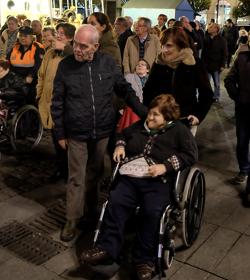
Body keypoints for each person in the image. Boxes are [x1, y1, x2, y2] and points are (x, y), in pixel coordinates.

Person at [80, 94, 198, 280]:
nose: (149, 118)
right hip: (131, 178)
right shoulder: (140, 126)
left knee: (152, 212)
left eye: (155, 116)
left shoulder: (179, 131)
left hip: (158, 182)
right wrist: (120, 146)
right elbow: (122, 134)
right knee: (116, 202)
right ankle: (107, 248)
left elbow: (190, 155)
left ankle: (144, 260)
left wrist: (164, 166)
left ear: (167, 118)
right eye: (150, 113)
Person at [51, 24, 147, 242]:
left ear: (95, 46)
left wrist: (143, 111)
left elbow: (124, 89)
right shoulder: (66, 66)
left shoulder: (107, 63)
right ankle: (72, 218)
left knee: (95, 173)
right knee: (77, 176)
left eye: (83, 46)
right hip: (75, 130)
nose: (77, 49)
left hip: (102, 129)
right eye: (75, 43)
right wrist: (60, 133)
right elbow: (57, 102)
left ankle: (91, 212)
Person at [143, 27, 213, 135]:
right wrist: (149, 113)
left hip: (185, 120)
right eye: (162, 45)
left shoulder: (195, 63)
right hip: (159, 121)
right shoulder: (159, 62)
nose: (164, 50)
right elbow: (148, 90)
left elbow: (207, 93)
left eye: (169, 45)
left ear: (181, 45)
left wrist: (198, 115)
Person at [37, 23, 75, 183]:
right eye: (57, 32)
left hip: (64, 106)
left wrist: (65, 50)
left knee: (65, 141)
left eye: (62, 34)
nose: (58, 36)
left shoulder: (72, 55)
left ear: (71, 38)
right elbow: (42, 75)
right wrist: (38, 94)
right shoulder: (50, 53)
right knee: (55, 138)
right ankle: (62, 169)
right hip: (48, 101)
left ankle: (69, 171)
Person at [224, 45, 250, 186]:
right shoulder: (242, 58)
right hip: (244, 108)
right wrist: (237, 96)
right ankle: (244, 169)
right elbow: (229, 80)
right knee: (242, 141)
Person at [7, 26, 45, 104]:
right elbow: (7, 62)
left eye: (25, 36)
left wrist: (30, 76)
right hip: (14, 79)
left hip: (30, 81)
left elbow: (38, 65)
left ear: (32, 37)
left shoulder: (38, 47)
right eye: (20, 35)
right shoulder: (15, 47)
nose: (22, 38)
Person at [202, 23, 227, 102]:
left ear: (216, 29)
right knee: (206, 82)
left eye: (211, 27)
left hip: (216, 65)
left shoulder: (222, 39)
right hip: (206, 64)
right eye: (208, 27)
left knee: (217, 83)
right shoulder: (206, 38)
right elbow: (203, 52)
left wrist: (223, 64)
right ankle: (207, 95)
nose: (208, 28)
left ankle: (216, 96)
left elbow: (225, 53)